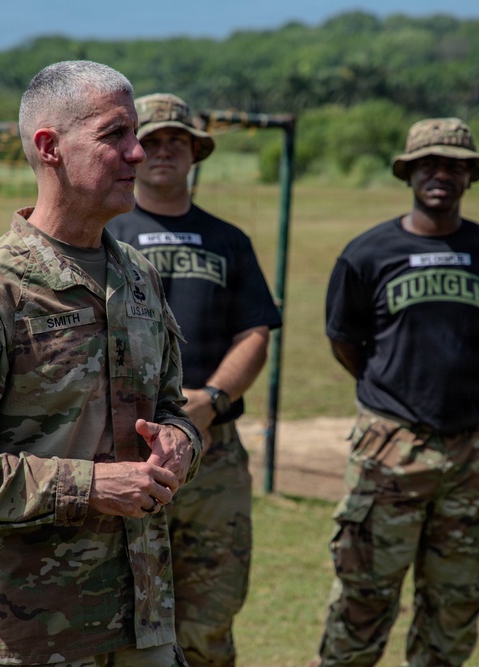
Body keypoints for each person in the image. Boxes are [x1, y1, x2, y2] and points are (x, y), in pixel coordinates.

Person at [0, 61, 202, 667]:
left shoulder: (138, 278)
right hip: (29, 635)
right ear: (50, 147)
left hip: (143, 621)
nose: (138, 153)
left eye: (134, 134)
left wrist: (179, 443)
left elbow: (172, 408)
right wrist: (90, 488)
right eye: (115, 135)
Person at [311, 118, 479, 667]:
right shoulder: (366, 254)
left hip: (472, 453)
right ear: (408, 172)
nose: (441, 175)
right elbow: (345, 342)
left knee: (455, 603)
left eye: (454, 165)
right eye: (429, 163)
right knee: (364, 599)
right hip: (391, 448)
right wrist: (393, 393)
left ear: (470, 175)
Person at [107, 93, 282, 667]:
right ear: (132, 150)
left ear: (194, 153)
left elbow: (256, 331)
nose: (162, 152)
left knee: (210, 613)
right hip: (122, 450)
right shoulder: (105, 234)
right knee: (118, 618)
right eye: (151, 140)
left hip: (212, 447)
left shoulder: (228, 239)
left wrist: (210, 400)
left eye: (175, 141)